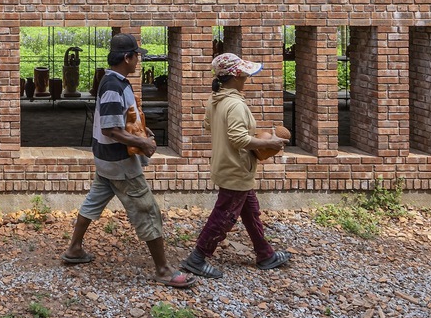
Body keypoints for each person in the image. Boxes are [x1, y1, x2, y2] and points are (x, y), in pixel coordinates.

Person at [60, 33, 196, 289]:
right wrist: (143, 144)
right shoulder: (113, 87)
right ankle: (164, 270)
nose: (138, 61)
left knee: (93, 201)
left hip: (106, 160)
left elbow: (126, 120)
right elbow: (112, 129)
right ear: (127, 57)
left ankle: (74, 249)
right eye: (137, 56)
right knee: (146, 209)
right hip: (120, 162)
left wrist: (144, 133)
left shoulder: (116, 82)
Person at [180, 53, 291, 278]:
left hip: (227, 164)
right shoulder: (235, 104)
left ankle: (264, 254)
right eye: (243, 73)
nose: (246, 77)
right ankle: (197, 258)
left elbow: (209, 126)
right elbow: (239, 139)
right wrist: (270, 142)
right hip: (236, 167)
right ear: (235, 75)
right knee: (225, 215)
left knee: (251, 212)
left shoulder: (216, 99)